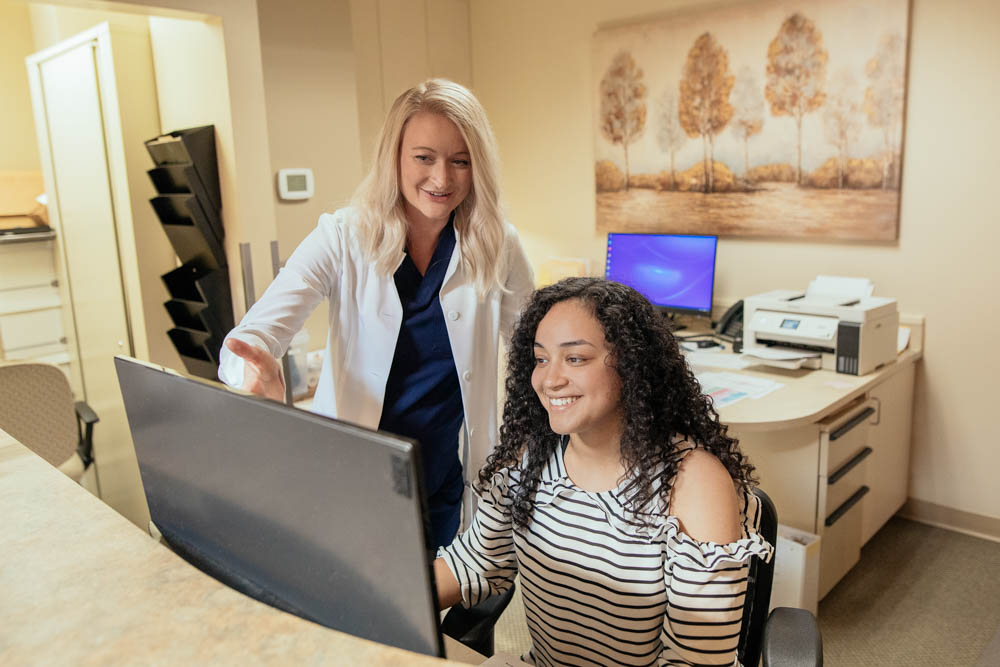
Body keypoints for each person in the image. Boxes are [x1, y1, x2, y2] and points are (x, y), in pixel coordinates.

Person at [218, 79, 534, 549]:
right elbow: (254, 336)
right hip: (355, 481)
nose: (442, 179)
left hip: (447, 478)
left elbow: (537, 349)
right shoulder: (342, 236)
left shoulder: (497, 243)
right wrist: (252, 380)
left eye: (460, 161)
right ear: (396, 157)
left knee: (442, 608)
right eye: (424, 157)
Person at [435, 277, 773, 666]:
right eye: (541, 359)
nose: (550, 379)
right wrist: (377, 598)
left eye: (575, 358)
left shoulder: (693, 482)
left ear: (631, 364)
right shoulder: (531, 458)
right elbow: (471, 565)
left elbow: (696, 663)